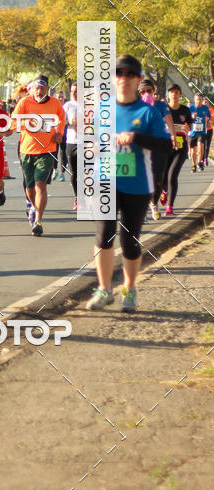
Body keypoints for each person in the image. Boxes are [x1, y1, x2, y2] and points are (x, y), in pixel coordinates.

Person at [86, 55, 172, 313]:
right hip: (105, 180)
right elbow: (90, 142)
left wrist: (135, 137)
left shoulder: (148, 112)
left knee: (130, 240)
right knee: (103, 236)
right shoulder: (103, 109)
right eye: (118, 74)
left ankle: (129, 290)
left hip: (136, 184)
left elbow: (166, 145)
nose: (123, 79)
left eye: (129, 75)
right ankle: (103, 289)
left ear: (137, 80)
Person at [12, 75, 65, 236]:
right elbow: (14, 121)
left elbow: (61, 121)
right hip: (26, 150)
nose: (39, 90)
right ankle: (33, 207)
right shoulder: (24, 102)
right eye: (37, 87)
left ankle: (39, 220)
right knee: (29, 187)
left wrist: (59, 134)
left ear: (47, 89)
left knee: (40, 184)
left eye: (42, 88)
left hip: (47, 150)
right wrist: (28, 123)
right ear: (33, 88)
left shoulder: (55, 104)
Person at [138, 77, 175, 220]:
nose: (146, 93)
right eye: (143, 91)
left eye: (149, 90)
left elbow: (169, 121)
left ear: (154, 91)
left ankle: (153, 202)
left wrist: (172, 136)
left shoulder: (161, 105)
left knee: (159, 179)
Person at [155, 84, 192, 215]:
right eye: (171, 92)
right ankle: (164, 190)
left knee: (172, 176)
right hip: (166, 147)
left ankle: (170, 206)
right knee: (163, 175)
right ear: (168, 94)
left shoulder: (185, 110)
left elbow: (189, 126)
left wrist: (187, 128)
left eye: (176, 92)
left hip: (180, 149)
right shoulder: (162, 109)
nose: (174, 95)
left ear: (180, 95)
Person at [63, 83, 79, 210]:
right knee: (74, 174)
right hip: (71, 142)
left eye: (77, 91)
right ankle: (78, 197)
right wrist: (69, 122)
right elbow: (59, 121)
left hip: (87, 143)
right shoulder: (67, 106)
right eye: (72, 91)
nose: (74, 93)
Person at [189, 91, 210, 171]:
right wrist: (191, 116)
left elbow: (209, 116)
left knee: (200, 146)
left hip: (202, 131)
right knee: (193, 150)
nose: (199, 101)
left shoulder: (205, 108)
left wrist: (209, 121)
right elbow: (186, 119)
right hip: (192, 132)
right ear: (194, 100)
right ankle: (193, 164)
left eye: (200, 100)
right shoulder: (190, 108)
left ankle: (199, 162)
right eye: (197, 100)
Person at [56, 91, 68, 180]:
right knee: (54, 152)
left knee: (63, 153)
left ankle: (62, 173)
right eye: (59, 97)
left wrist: (65, 122)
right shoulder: (53, 108)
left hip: (65, 133)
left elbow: (69, 121)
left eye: (62, 97)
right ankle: (55, 170)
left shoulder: (67, 108)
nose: (60, 99)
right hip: (54, 134)